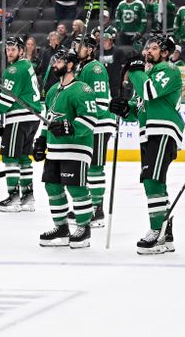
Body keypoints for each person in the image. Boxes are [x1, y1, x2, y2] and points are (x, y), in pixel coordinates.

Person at [110, 34, 183, 255]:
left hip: (163, 129)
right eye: (147, 48)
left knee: (152, 180)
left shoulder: (169, 70)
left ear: (164, 53)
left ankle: (156, 231)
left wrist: (134, 71)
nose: (147, 52)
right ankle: (165, 234)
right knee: (154, 182)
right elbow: (137, 107)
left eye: (153, 48)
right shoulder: (147, 74)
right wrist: (124, 108)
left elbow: (150, 92)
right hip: (148, 132)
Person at [33, 48, 97, 249]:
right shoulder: (53, 90)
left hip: (76, 148)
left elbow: (89, 120)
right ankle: (61, 228)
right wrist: (42, 140)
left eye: (59, 62)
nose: (54, 65)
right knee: (52, 187)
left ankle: (83, 228)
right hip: (55, 149)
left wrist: (69, 126)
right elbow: (48, 120)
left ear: (70, 65)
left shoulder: (82, 89)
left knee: (76, 188)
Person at [0, 36, 42, 212]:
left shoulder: (14, 70)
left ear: (21, 51)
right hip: (32, 118)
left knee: (10, 157)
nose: (9, 52)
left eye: (13, 49)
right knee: (24, 158)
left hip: (19, 117)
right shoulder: (26, 66)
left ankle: (14, 197)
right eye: (8, 49)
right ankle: (27, 196)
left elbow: (7, 98)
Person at [73, 34, 114, 226]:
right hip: (89, 123)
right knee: (89, 167)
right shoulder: (82, 67)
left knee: (96, 167)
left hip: (98, 124)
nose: (75, 48)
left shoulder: (95, 68)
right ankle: (91, 207)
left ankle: (97, 211)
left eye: (79, 46)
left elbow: (102, 101)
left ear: (89, 49)